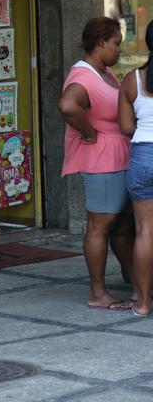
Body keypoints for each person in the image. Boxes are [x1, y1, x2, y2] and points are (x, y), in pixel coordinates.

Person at [59, 17, 134, 310]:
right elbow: (67, 106)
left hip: (116, 158)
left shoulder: (102, 71)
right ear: (101, 41)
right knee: (100, 226)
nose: (119, 50)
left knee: (120, 226)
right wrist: (89, 132)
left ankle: (135, 280)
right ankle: (98, 292)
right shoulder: (84, 75)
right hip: (101, 160)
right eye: (116, 44)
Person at [119, 19, 153, 316]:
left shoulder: (133, 79)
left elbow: (127, 126)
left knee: (144, 231)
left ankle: (142, 303)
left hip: (142, 157)